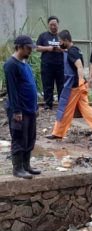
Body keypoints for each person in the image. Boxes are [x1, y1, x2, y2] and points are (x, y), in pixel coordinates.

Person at [46, 30, 92, 140]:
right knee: (86, 109)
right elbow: (65, 52)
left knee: (64, 108)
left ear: (66, 40)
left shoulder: (72, 52)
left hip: (74, 86)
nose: (59, 43)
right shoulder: (75, 50)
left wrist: (81, 82)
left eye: (61, 41)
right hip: (78, 85)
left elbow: (79, 66)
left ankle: (57, 133)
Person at [4, 35, 40, 179]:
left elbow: (31, 86)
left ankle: (26, 165)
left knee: (30, 137)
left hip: (30, 108)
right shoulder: (11, 65)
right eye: (28, 48)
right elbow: (12, 90)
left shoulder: (25, 63)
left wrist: (35, 106)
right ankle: (17, 168)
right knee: (19, 138)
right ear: (19, 47)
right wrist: (17, 110)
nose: (30, 50)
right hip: (19, 109)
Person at [36, 16, 64, 111]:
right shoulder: (43, 36)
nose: (53, 27)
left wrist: (61, 49)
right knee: (47, 85)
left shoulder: (62, 36)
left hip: (60, 65)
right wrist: (48, 48)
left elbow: (68, 47)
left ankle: (62, 104)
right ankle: (48, 104)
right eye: (51, 25)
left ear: (58, 25)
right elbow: (37, 48)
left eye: (55, 25)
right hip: (47, 65)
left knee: (61, 84)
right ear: (48, 25)